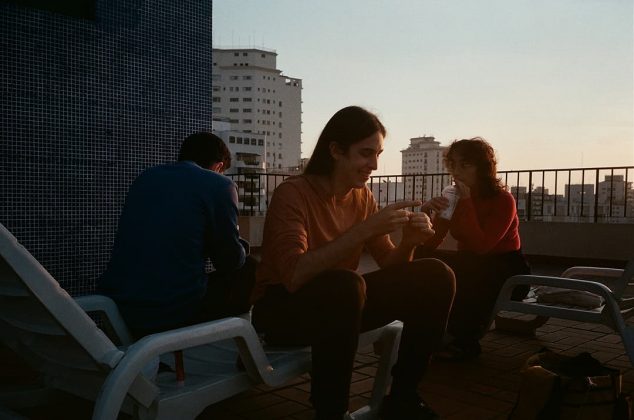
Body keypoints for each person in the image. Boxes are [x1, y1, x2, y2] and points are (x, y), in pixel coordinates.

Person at [250, 106, 456, 420]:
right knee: (346, 284)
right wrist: (365, 229)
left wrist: (410, 243)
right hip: (281, 312)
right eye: (365, 153)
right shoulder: (292, 194)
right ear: (335, 150)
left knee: (436, 275)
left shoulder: (362, 199)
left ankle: (402, 398)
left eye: (378, 154)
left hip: (339, 307)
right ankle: (330, 412)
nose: (373, 164)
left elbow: (390, 263)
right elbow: (294, 275)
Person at [98, 132, 253, 339]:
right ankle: (243, 351)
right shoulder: (219, 185)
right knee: (251, 270)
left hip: (117, 306)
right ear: (219, 165)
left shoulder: (147, 177)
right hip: (169, 311)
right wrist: (242, 247)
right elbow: (229, 261)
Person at [416, 137, 530, 360]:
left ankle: (463, 342)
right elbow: (431, 242)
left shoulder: (503, 200)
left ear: (482, 168)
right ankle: (422, 326)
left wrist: (466, 201)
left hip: (506, 269)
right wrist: (428, 213)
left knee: (469, 271)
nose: (456, 172)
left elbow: (482, 246)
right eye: (453, 165)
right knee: (424, 259)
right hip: (472, 264)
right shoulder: (454, 198)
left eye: (464, 165)